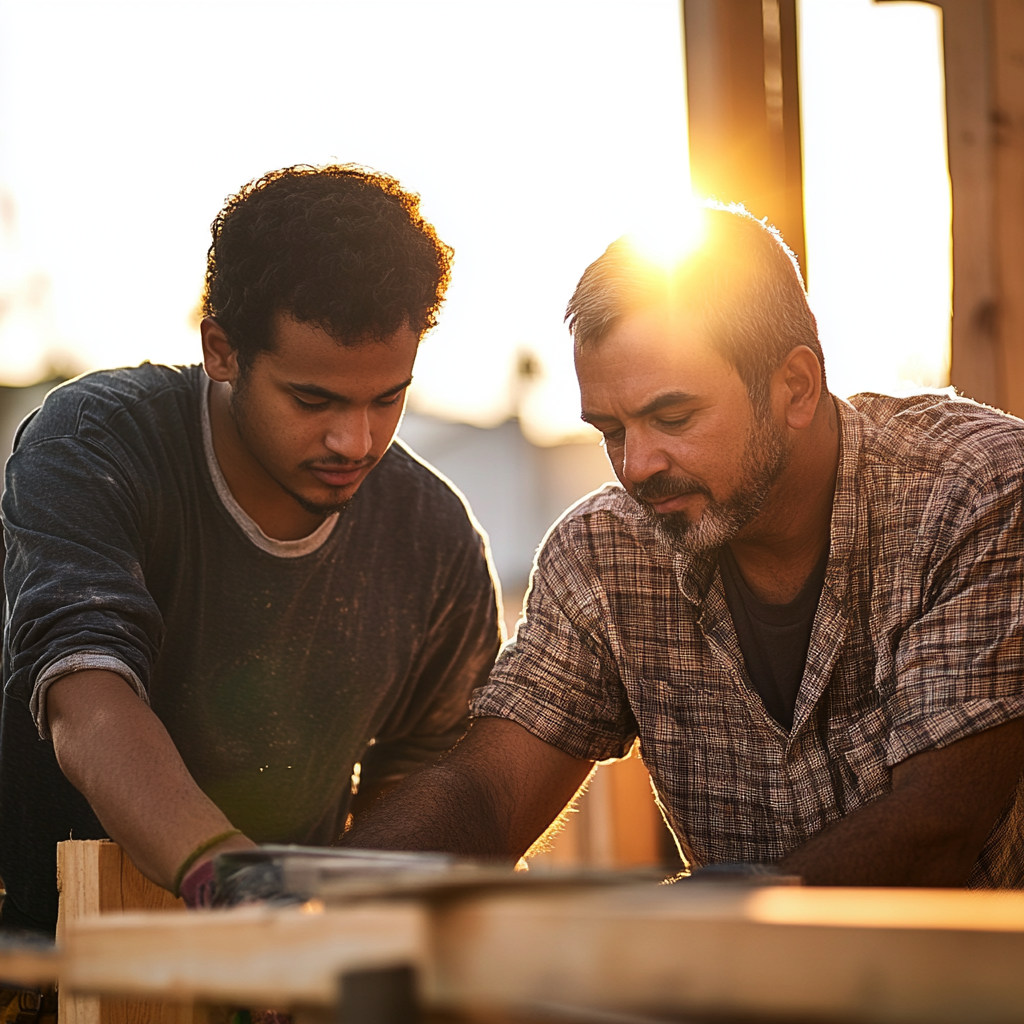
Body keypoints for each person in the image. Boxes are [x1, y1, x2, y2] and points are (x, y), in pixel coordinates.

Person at [343, 204, 1024, 888]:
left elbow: (938, 825)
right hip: (734, 988)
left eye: (672, 417)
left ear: (795, 386)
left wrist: (679, 937)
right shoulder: (605, 553)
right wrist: (326, 904)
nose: (637, 466)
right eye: (611, 430)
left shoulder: (976, 489)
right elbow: (487, 791)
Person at [0, 164, 502, 934]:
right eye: (313, 399)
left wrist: (336, 936)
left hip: (289, 981)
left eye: (387, 397)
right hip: (50, 959)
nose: (355, 440)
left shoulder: (434, 538)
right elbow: (87, 701)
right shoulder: (95, 444)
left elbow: (423, 795)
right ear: (221, 350)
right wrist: (236, 883)